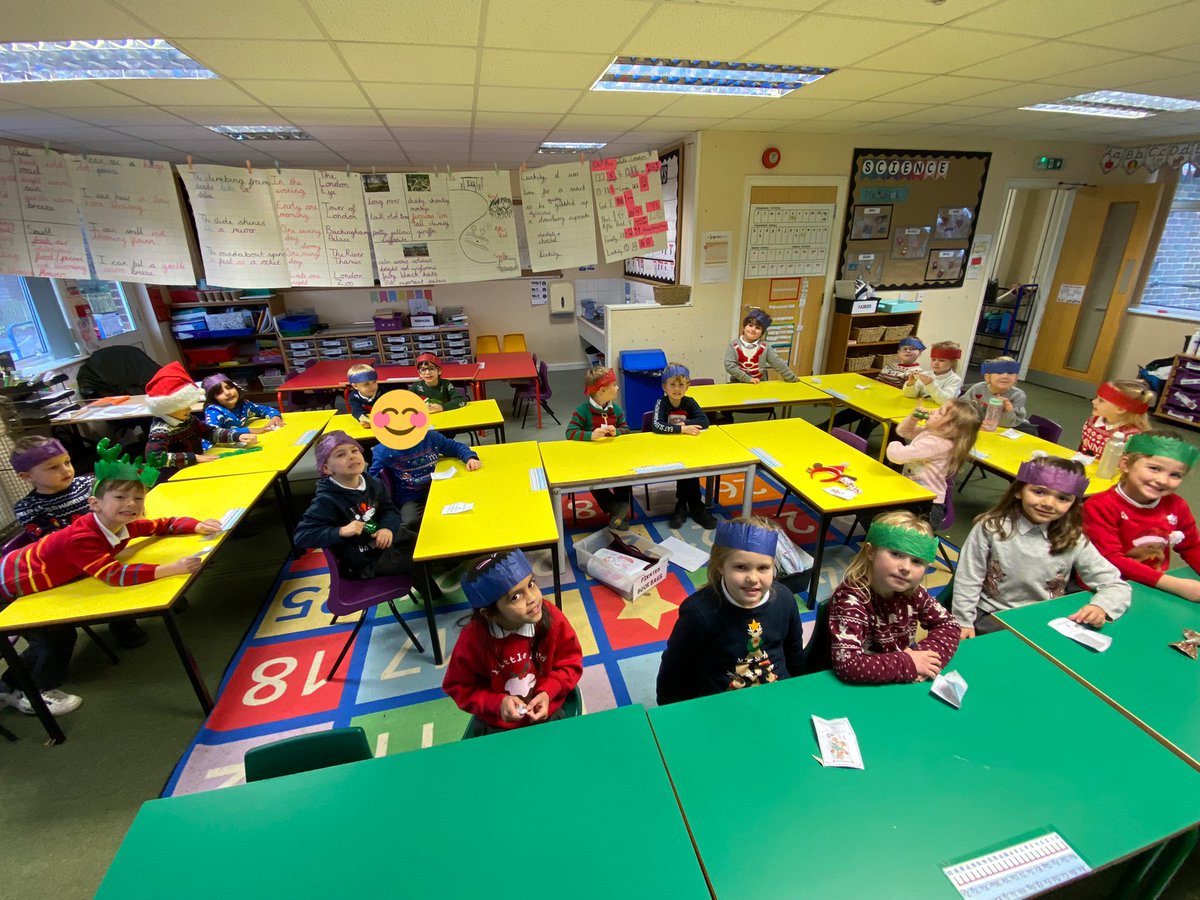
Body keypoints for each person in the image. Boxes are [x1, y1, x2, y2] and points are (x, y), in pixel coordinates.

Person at [0, 447, 220, 717]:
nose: (131, 504)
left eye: (138, 498)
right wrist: (169, 568)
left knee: (53, 635)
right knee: (55, 635)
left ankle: (9, 686)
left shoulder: (117, 523)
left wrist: (195, 525)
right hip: (10, 585)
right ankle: (35, 691)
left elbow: (162, 524)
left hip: (31, 580)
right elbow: (115, 575)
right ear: (95, 504)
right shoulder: (83, 537)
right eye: (120, 497)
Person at [954, 456, 1129, 638]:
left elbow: (1115, 584)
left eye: (1062, 498)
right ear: (1019, 491)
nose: (1048, 503)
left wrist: (1100, 606)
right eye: (1039, 492)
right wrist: (963, 620)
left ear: (1073, 503)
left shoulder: (1073, 539)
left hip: (1045, 619)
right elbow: (968, 577)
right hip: (993, 615)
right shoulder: (992, 527)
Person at [10, 435, 149, 649]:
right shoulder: (29, 507)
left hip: (110, 546)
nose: (66, 470)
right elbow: (54, 541)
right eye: (52, 467)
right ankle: (124, 625)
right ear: (26, 476)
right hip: (73, 564)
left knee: (147, 553)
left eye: (67, 462)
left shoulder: (89, 484)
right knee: (109, 580)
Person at [657, 517, 805, 704]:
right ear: (720, 566)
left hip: (776, 694)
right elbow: (675, 668)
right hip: (721, 703)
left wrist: (800, 689)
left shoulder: (784, 599)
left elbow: (794, 652)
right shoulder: (698, 613)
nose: (753, 578)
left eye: (763, 568)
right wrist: (670, 710)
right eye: (741, 567)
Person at [442, 549, 582, 737]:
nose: (532, 598)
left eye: (531, 584)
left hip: (548, 714)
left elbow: (570, 663)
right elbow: (458, 687)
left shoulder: (551, 618)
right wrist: (497, 704)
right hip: (499, 725)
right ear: (489, 613)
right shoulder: (472, 640)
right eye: (515, 596)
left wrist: (548, 691)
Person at [828, 510, 959, 684]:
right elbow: (848, 665)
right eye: (896, 554)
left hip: (898, 677)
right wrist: (909, 663)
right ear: (870, 552)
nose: (905, 567)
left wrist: (926, 660)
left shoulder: (913, 592)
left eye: (917, 561)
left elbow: (949, 625)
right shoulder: (851, 599)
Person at [1082, 431, 1200, 602]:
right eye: (1154, 468)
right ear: (1125, 464)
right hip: (1103, 588)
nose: (1163, 480)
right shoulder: (1100, 506)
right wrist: (1176, 585)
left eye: (1175, 475)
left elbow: (1191, 546)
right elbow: (1111, 558)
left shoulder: (1176, 505)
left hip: (1153, 586)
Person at [294, 431, 416, 579]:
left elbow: (389, 510)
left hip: (387, 544)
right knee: (420, 559)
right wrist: (340, 531)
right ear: (326, 468)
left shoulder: (373, 483)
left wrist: (387, 528)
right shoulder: (326, 500)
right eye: (340, 455)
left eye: (354, 450)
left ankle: (433, 593)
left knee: (427, 546)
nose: (351, 456)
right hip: (367, 561)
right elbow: (301, 536)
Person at [144, 361, 255, 473]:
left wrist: (237, 436)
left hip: (195, 468)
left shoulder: (188, 419)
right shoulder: (160, 430)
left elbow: (209, 432)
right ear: (169, 408)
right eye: (185, 407)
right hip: (175, 475)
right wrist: (194, 457)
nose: (190, 409)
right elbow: (155, 458)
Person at [886, 399, 980, 529]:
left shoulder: (937, 443)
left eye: (940, 412)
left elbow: (896, 456)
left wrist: (894, 444)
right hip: (913, 493)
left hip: (927, 505)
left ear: (948, 427)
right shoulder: (931, 431)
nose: (933, 410)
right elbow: (904, 432)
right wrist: (913, 419)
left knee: (878, 513)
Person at [368, 423, 480, 530]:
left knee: (468, 508)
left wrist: (470, 457)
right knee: (410, 521)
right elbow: (373, 477)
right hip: (411, 496)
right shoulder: (384, 450)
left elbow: (454, 447)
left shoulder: (431, 437)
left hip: (440, 488)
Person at [565, 365, 633, 529]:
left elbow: (626, 429)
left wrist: (616, 431)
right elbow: (570, 432)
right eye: (614, 385)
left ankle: (618, 512)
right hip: (592, 461)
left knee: (625, 475)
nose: (617, 388)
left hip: (615, 458)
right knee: (592, 481)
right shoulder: (583, 411)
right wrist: (590, 435)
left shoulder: (615, 409)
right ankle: (616, 509)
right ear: (602, 390)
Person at [652, 363, 717, 529]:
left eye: (681, 384)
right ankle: (695, 506)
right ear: (664, 387)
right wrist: (682, 428)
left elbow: (704, 421)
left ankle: (684, 505)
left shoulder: (689, 402)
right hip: (666, 449)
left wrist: (685, 423)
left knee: (690, 468)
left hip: (689, 448)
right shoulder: (662, 403)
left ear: (688, 386)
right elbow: (657, 425)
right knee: (685, 469)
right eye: (672, 384)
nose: (677, 389)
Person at [1078, 379, 1154, 458]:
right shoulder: (1092, 421)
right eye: (1096, 398)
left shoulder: (1133, 437)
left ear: (1120, 409)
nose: (1094, 401)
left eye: (1101, 401)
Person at [724, 309, 798, 384]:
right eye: (750, 325)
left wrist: (791, 377)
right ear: (744, 327)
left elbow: (778, 363)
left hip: (759, 384)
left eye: (758, 328)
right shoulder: (733, 345)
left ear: (762, 332)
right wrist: (748, 379)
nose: (753, 329)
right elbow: (730, 366)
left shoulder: (765, 347)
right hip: (737, 384)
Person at [963, 357, 1032, 432]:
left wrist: (1007, 411)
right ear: (988, 377)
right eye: (999, 372)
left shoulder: (1017, 396)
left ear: (1015, 378)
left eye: (1010, 373)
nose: (1005, 376)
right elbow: (962, 408)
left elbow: (1010, 423)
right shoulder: (977, 389)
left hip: (1008, 428)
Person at [202, 374, 283, 437]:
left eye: (229, 388)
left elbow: (264, 409)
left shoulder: (244, 404)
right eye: (219, 392)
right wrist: (249, 430)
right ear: (213, 399)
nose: (227, 393)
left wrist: (275, 417)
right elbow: (215, 433)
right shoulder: (214, 411)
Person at [902, 340, 963, 405]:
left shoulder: (955, 380)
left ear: (953, 363)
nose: (936, 363)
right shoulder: (925, 375)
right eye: (933, 359)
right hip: (922, 409)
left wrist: (930, 384)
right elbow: (908, 395)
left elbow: (945, 401)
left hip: (940, 412)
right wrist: (910, 384)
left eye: (941, 360)